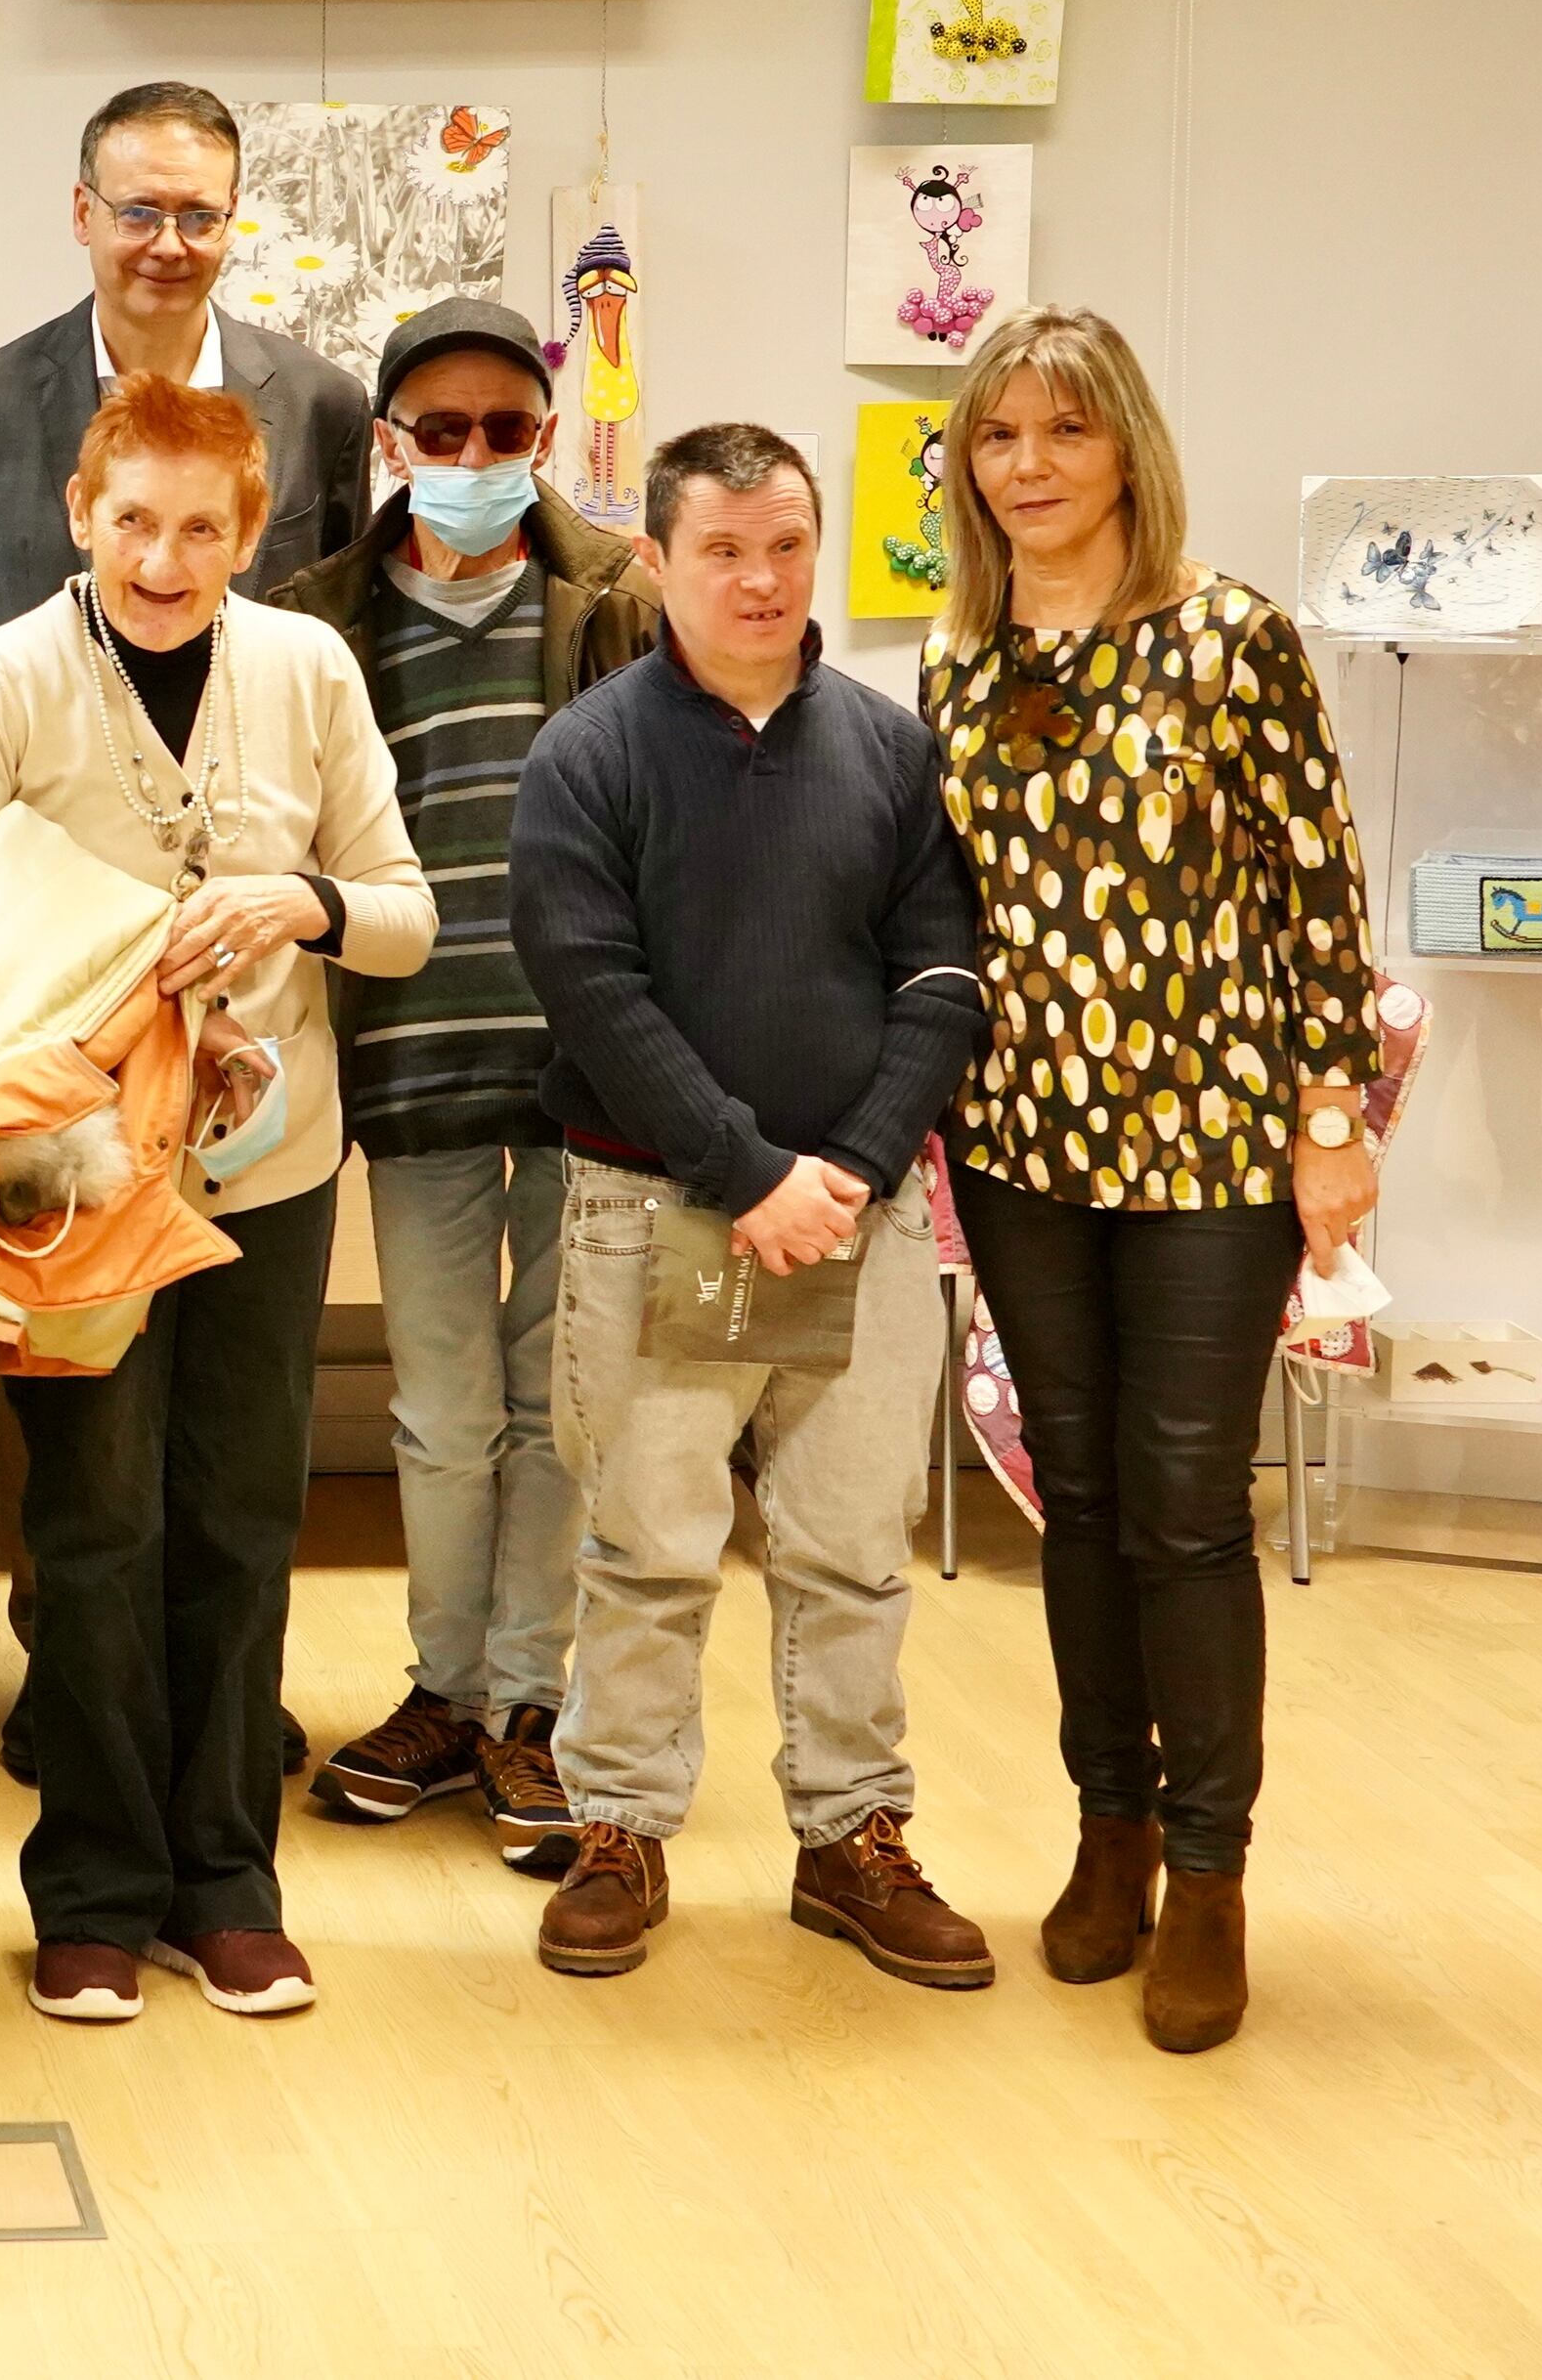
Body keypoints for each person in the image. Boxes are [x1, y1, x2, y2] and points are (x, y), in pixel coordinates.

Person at [0, 372, 436, 2027]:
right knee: (94, 1519)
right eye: (134, 517)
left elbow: (404, 915)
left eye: (204, 526)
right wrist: (118, 1004)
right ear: (79, 512)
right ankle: (97, 1887)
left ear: (250, 532)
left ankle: (229, 1880)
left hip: (268, 1169)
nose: (165, 554)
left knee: (240, 1515)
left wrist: (301, 898)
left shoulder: (310, 669)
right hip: (73, 1168)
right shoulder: (1, 682)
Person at [918, 304, 1381, 2056]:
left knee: (1188, 1503)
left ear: (1128, 449)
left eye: (1065, 432)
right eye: (999, 436)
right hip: (1023, 1141)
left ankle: (1209, 1866)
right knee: (1083, 1494)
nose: (1028, 466)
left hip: (1209, 1142)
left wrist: (1330, 1118)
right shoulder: (955, 657)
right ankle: (1106, 1822)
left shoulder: (1229, 636)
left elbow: (1316, 887)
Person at [506, 422, 990, 1990]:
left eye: (786, 543)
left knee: (853, 1548)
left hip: (866, 1208)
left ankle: (851, 1834)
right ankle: (622, 1826)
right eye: (723, 549)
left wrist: (845, 1164)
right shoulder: (588, 754)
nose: (762, 577)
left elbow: (940, 975)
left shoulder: (890, 748)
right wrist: (751, 1173)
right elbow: (592, 991)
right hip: (657, 1212)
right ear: (657, 562)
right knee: (648, 1545)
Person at [291, 296, 659, 1873]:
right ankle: (443, 1687)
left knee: (559, 1405)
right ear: (388, 445)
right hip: (414, 1056)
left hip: (589, 1064)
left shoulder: (618, 603)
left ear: (546, 438)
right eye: (436, 433)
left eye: (504, 431)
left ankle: (531, 1704)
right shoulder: (320, 620)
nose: (470, 457)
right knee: (440, 1408)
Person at [0, 80, 371, 713]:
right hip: (38, 795)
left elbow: (342, 641)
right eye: (140, 212)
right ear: (81, 211)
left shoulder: (323, 406)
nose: (170, 245)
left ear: (232, 217)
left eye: (199, 216)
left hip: (255, 792)